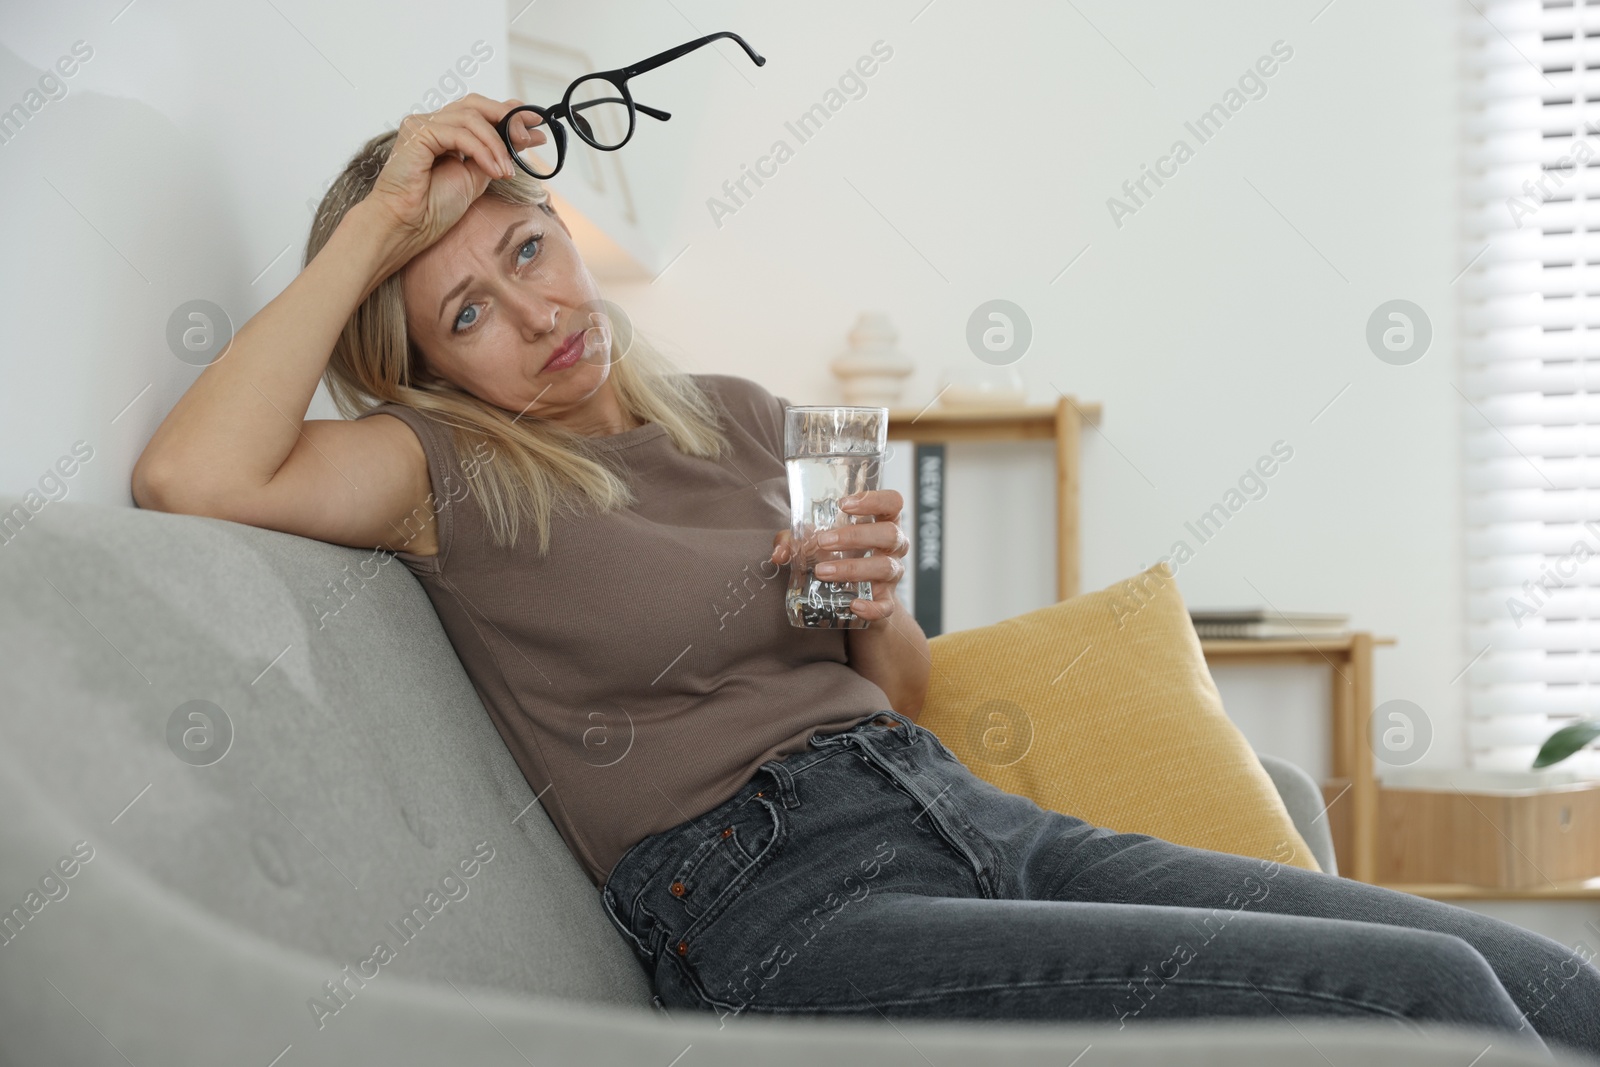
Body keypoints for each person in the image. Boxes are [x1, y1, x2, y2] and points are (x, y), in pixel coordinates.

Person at [130, 94, 1600, 1058]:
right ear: (427, 366)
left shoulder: (746, 415)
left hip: (965, 816)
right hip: (776, 906)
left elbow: (897, 686)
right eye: (469, 310)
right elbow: (191, 476)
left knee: (1538, 981)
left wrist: (869, 601)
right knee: (1429, 1011)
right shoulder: (440, 474)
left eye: (531, 250)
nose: (536, 310)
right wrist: (386, 218)